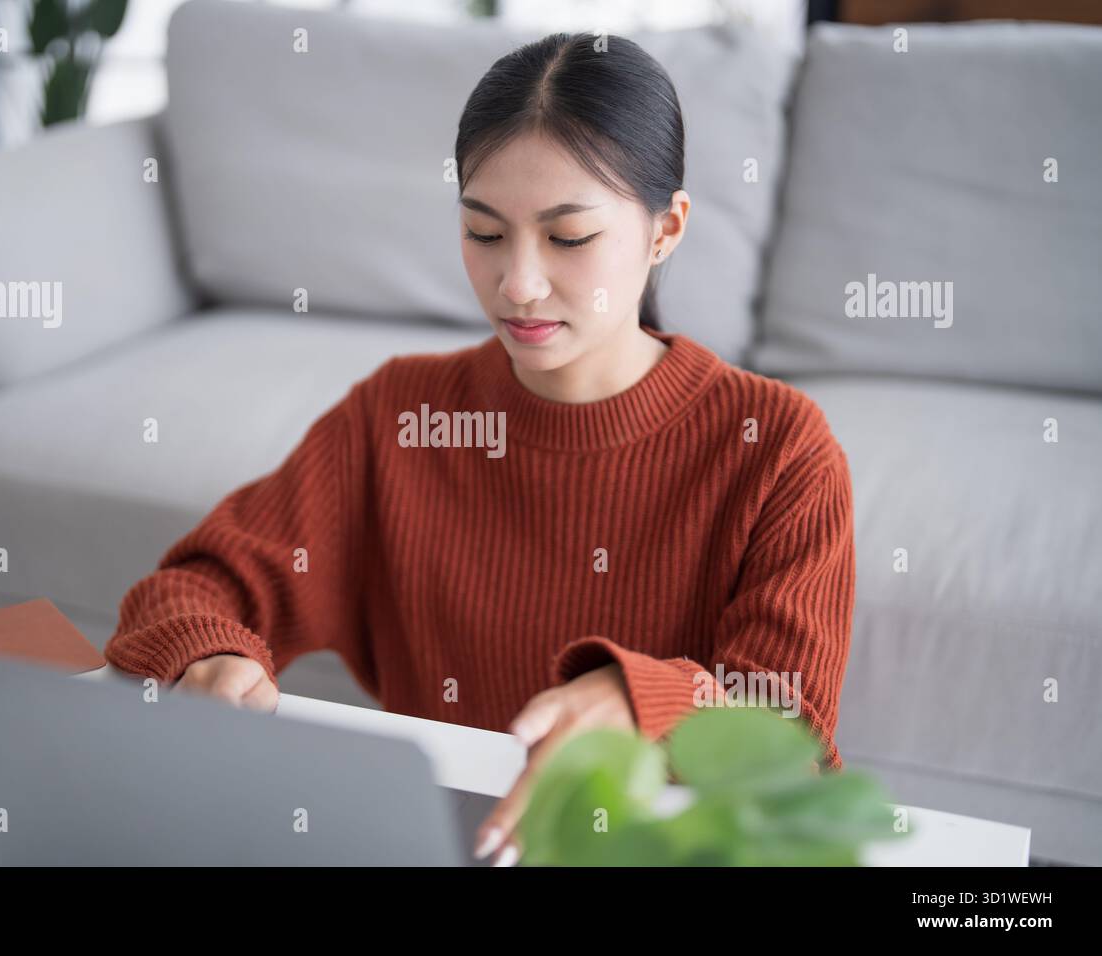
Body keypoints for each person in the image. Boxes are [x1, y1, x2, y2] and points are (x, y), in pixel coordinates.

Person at [104, 31, 855, 868]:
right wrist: (208, 655)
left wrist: (649, 703)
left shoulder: (780, 450)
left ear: (664, 230)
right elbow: (185, 590)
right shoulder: (400, 415)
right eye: (484, 232)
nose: (518, 284)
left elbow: (792, 741)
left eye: (568, 238)